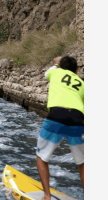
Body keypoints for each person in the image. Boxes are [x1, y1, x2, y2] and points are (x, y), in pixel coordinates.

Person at [36, 56, 84, 200]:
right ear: (76, 71)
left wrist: (57, 63)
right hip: (78, 119)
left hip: (56, 116)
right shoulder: (82, 83)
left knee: (42, 157)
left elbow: (49, 72)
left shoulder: (55, 72)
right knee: (83, 162)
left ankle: (47, 196)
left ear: (60, 67)